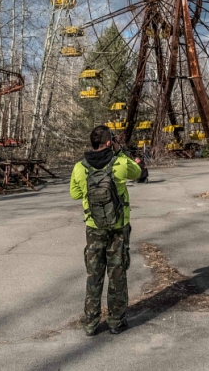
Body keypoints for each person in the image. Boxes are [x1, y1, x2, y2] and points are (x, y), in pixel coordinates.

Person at [70, 125, 142, 336]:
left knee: (94, 274)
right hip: (118, 227)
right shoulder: (119, 163)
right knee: (117, 273)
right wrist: (120, 152)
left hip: (94, 228)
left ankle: (91, 323)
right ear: (110, 143)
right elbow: (138, 172)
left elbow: (74, 194)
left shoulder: (80, 167)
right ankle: (115, 321)